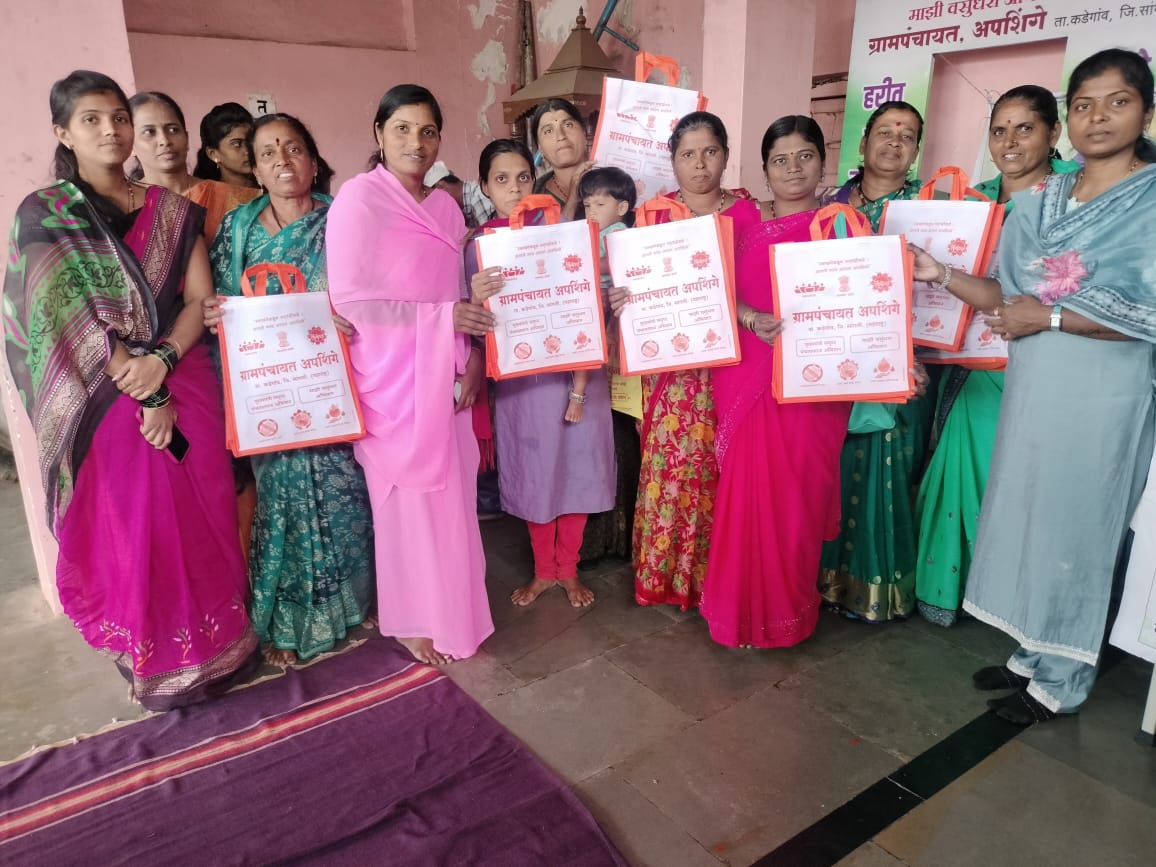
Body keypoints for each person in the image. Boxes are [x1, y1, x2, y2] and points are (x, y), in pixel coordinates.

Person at [909, 48, 1156, 724]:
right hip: (1036, 388)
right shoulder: (1042, 201)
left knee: (1081, 526)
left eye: (1117, 102)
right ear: (1068, 119)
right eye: (1084, 105)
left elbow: (1146, 314)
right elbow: (1005, 295)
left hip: (1104, 396)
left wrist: (1046, 318)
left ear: (1146, 113)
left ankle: (1064, 677)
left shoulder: (1149, 200)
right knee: (1030, 517)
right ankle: (1034, 650)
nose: (1098, 117)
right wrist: (939, 274)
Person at [3, 70, 256, 709]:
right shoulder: (46, 215)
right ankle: (159, 660)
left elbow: (199, 300)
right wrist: (142, 387)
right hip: (104, 394)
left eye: (118, 117)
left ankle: (221, 647)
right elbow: (60, 317)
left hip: (185, 374)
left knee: (203, 513)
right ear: (63, 132)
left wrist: (163, 362)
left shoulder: (171, 209)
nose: (110, 130)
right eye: (90, 119)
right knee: (140, 524)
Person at [326, 84, 494, 665]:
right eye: (402, 128)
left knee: (451, 506)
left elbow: (456, 292)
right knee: (404, 507)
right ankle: (413, 619)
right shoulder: (358, 200)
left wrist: (471, 354)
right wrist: (445, 319)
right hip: (393, 381)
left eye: (428, 131)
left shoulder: (446, 209)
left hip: (446, 372)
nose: (415, 142)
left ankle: (454, 613)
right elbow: (352, 303)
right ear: (379, 133)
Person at [206, 113, 374, 666]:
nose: (283, 160)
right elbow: (223, 305)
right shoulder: (237, 231)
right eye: (268, 152)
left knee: (347, 500)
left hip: (335, 385)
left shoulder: (342, 220)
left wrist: (347, 317)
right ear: (254, 169)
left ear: (313, 159)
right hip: (272, 393)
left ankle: (356, 605)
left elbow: (371, 292)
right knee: (281, 504)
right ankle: (286, 621)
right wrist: (216, 315)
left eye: (294, 148)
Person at [915, 86, 1079, 627]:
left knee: (1030, 494)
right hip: (972, 368)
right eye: (999, 131)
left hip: (1043, 366)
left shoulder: (1075, 201)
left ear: (1053, 134)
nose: (1009, 142)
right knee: (964, 480)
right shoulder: (969, 202)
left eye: (1024, 128)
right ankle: (957, 595)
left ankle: (1025, 611)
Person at [701, 116, 852, 647]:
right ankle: (738, 613)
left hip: (814, 386)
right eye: (780, 160)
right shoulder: (739, 220)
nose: (793, 169)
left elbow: (863, 299)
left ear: (823, 163)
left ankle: (789, 613)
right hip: (749, 376)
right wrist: (748, 317)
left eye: (804, 156)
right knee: (747, 496)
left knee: (797, 500)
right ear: (764, 170)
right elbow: (711, 288)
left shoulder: (842, 226)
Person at [620, 111, 761, 611]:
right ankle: (668, 575)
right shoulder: (653, 217)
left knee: (726, 468)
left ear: (725, 155)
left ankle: (717, 580)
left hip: (735, 364)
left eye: (710, 152)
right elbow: (634, 284)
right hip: (672, 370)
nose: (699, 164)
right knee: (673, 467)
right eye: (687, 154)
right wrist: (621, 297)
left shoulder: (750, 214)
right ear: (673, 160)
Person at [469, 146, 616, 608]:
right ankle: (543, 571)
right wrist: (474, 296)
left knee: (577, 469)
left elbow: (590, 298)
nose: (514, 188)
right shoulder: (479, 246)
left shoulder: (566, 235)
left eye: (522, 177)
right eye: (501, 179)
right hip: (523, 385)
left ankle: (567, 569)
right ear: (485, 187)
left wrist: (612, 299)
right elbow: (471, 324)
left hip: (579, 376)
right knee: (536, 473)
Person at [818, 100, 931, 622]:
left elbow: (938, 297)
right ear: (862, 143)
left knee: (884, 472)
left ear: (915, 151)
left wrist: (916, 354)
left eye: (906, 136)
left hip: (903, 364)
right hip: (833, 360)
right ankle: (823, 580)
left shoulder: (929, 210)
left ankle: (876, 590)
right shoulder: (829, 207)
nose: (894, 142)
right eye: (884, 132)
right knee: (832, 469)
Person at [129, 92, 260, 240]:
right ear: (130, 144)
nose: (164, 140)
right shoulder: (124, 205)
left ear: (186, 138)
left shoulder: (236, 199)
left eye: (173, 129)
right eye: (149, 132)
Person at [531, 97, 593, 220]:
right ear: (540, 148)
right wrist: (573, 198)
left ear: (584, 133)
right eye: (548, 131)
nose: (560, 136)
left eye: (568, 125)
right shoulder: (533, 195)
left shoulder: (613, 178)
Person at [193, 102, 257, 188]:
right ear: (213, 154)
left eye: (250, 141)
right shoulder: (207, 194)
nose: (248, 151)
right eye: (237, 144)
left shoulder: (270, 188)